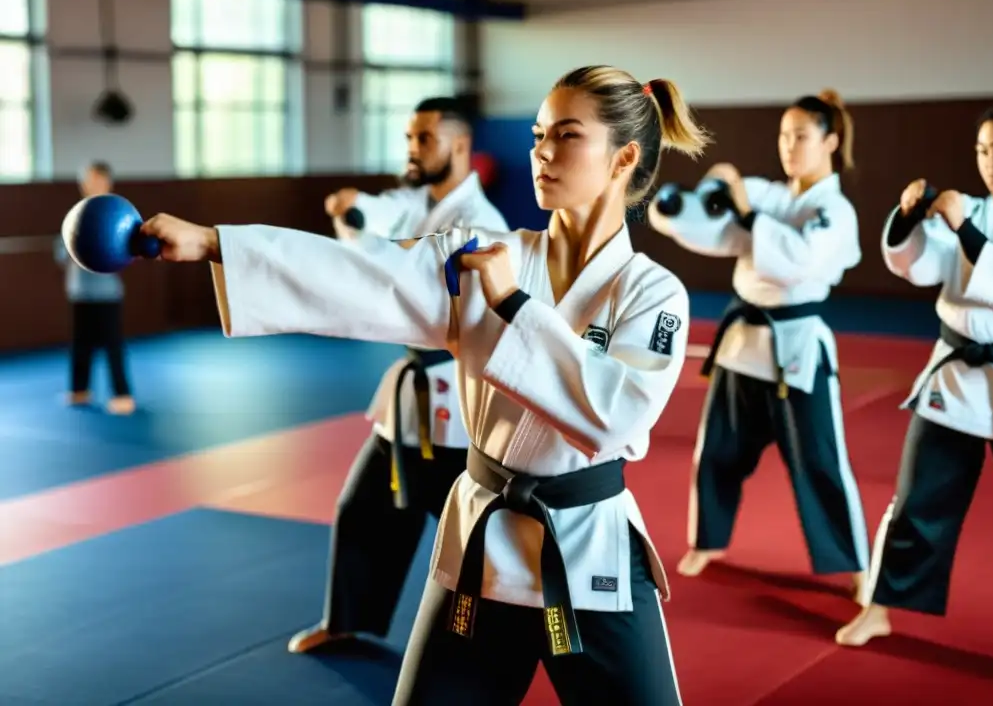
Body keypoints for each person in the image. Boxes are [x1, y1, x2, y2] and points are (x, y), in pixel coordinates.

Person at [138, 65, 709, 705]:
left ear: (623, 156)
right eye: (538, 133)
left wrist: (516, 304)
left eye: (567, 136)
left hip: (587, 551)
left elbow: (616, 415)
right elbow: (365, 274)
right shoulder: (480, 251)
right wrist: (216, 244)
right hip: (482, 547)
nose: (542, 152)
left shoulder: (653, 293)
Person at [288, 96, 509, 655]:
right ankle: (346, 619)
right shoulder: (417, 201)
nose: (412, 149)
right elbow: (383, 213)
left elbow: (420, 282)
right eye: (410, 138)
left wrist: (367, 235)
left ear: (460, 146)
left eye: (425, 139)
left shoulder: (479, 223)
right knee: (363, 508)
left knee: (473, 533)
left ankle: (496, 642)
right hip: (409, 398)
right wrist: (354, 208)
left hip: (457, 405)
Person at [647, 90, 870, 598]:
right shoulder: (771, 195)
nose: (789, 146)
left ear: (830, 141)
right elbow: (713, 227)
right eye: (783, 135)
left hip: (796, 348)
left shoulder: (836, 211)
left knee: (819, 462)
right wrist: (685, 200)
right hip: (743, 345)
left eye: (801, 136)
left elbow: (795, 261)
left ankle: (857, 565)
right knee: (718, 450)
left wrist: (747, 216)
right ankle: (708, 540)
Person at [836, 92, 993, 647]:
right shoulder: (972, 207)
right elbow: (919, 265)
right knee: (915, 498)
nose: (989, 161)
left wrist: (965, 230)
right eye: (981, 150)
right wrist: (910, 220)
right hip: (954, 375)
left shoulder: (972, 217)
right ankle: (880, 605)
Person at [53, 161, 136, 416]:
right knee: (81, 343)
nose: (90, 184)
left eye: (96, 179)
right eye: (87, 179)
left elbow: (127, 250)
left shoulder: (116, 214)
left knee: (112, 343)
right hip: (80, 291)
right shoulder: (75, 214)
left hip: (106, 293)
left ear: (107, 182)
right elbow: (60, 252)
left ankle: (122, 394)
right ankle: (80, 390)